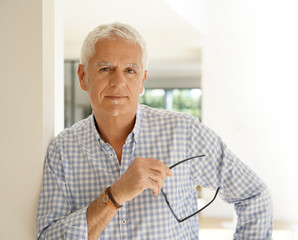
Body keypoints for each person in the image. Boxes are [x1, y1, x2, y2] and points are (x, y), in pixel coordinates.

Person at [37, 22, 273, 240]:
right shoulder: (62, 150)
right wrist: (115, 195)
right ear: (82, 77)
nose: (118, 82)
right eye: (105, 69)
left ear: (142, 81)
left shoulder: (185, 133)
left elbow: (254, 195)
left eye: (130, 70)